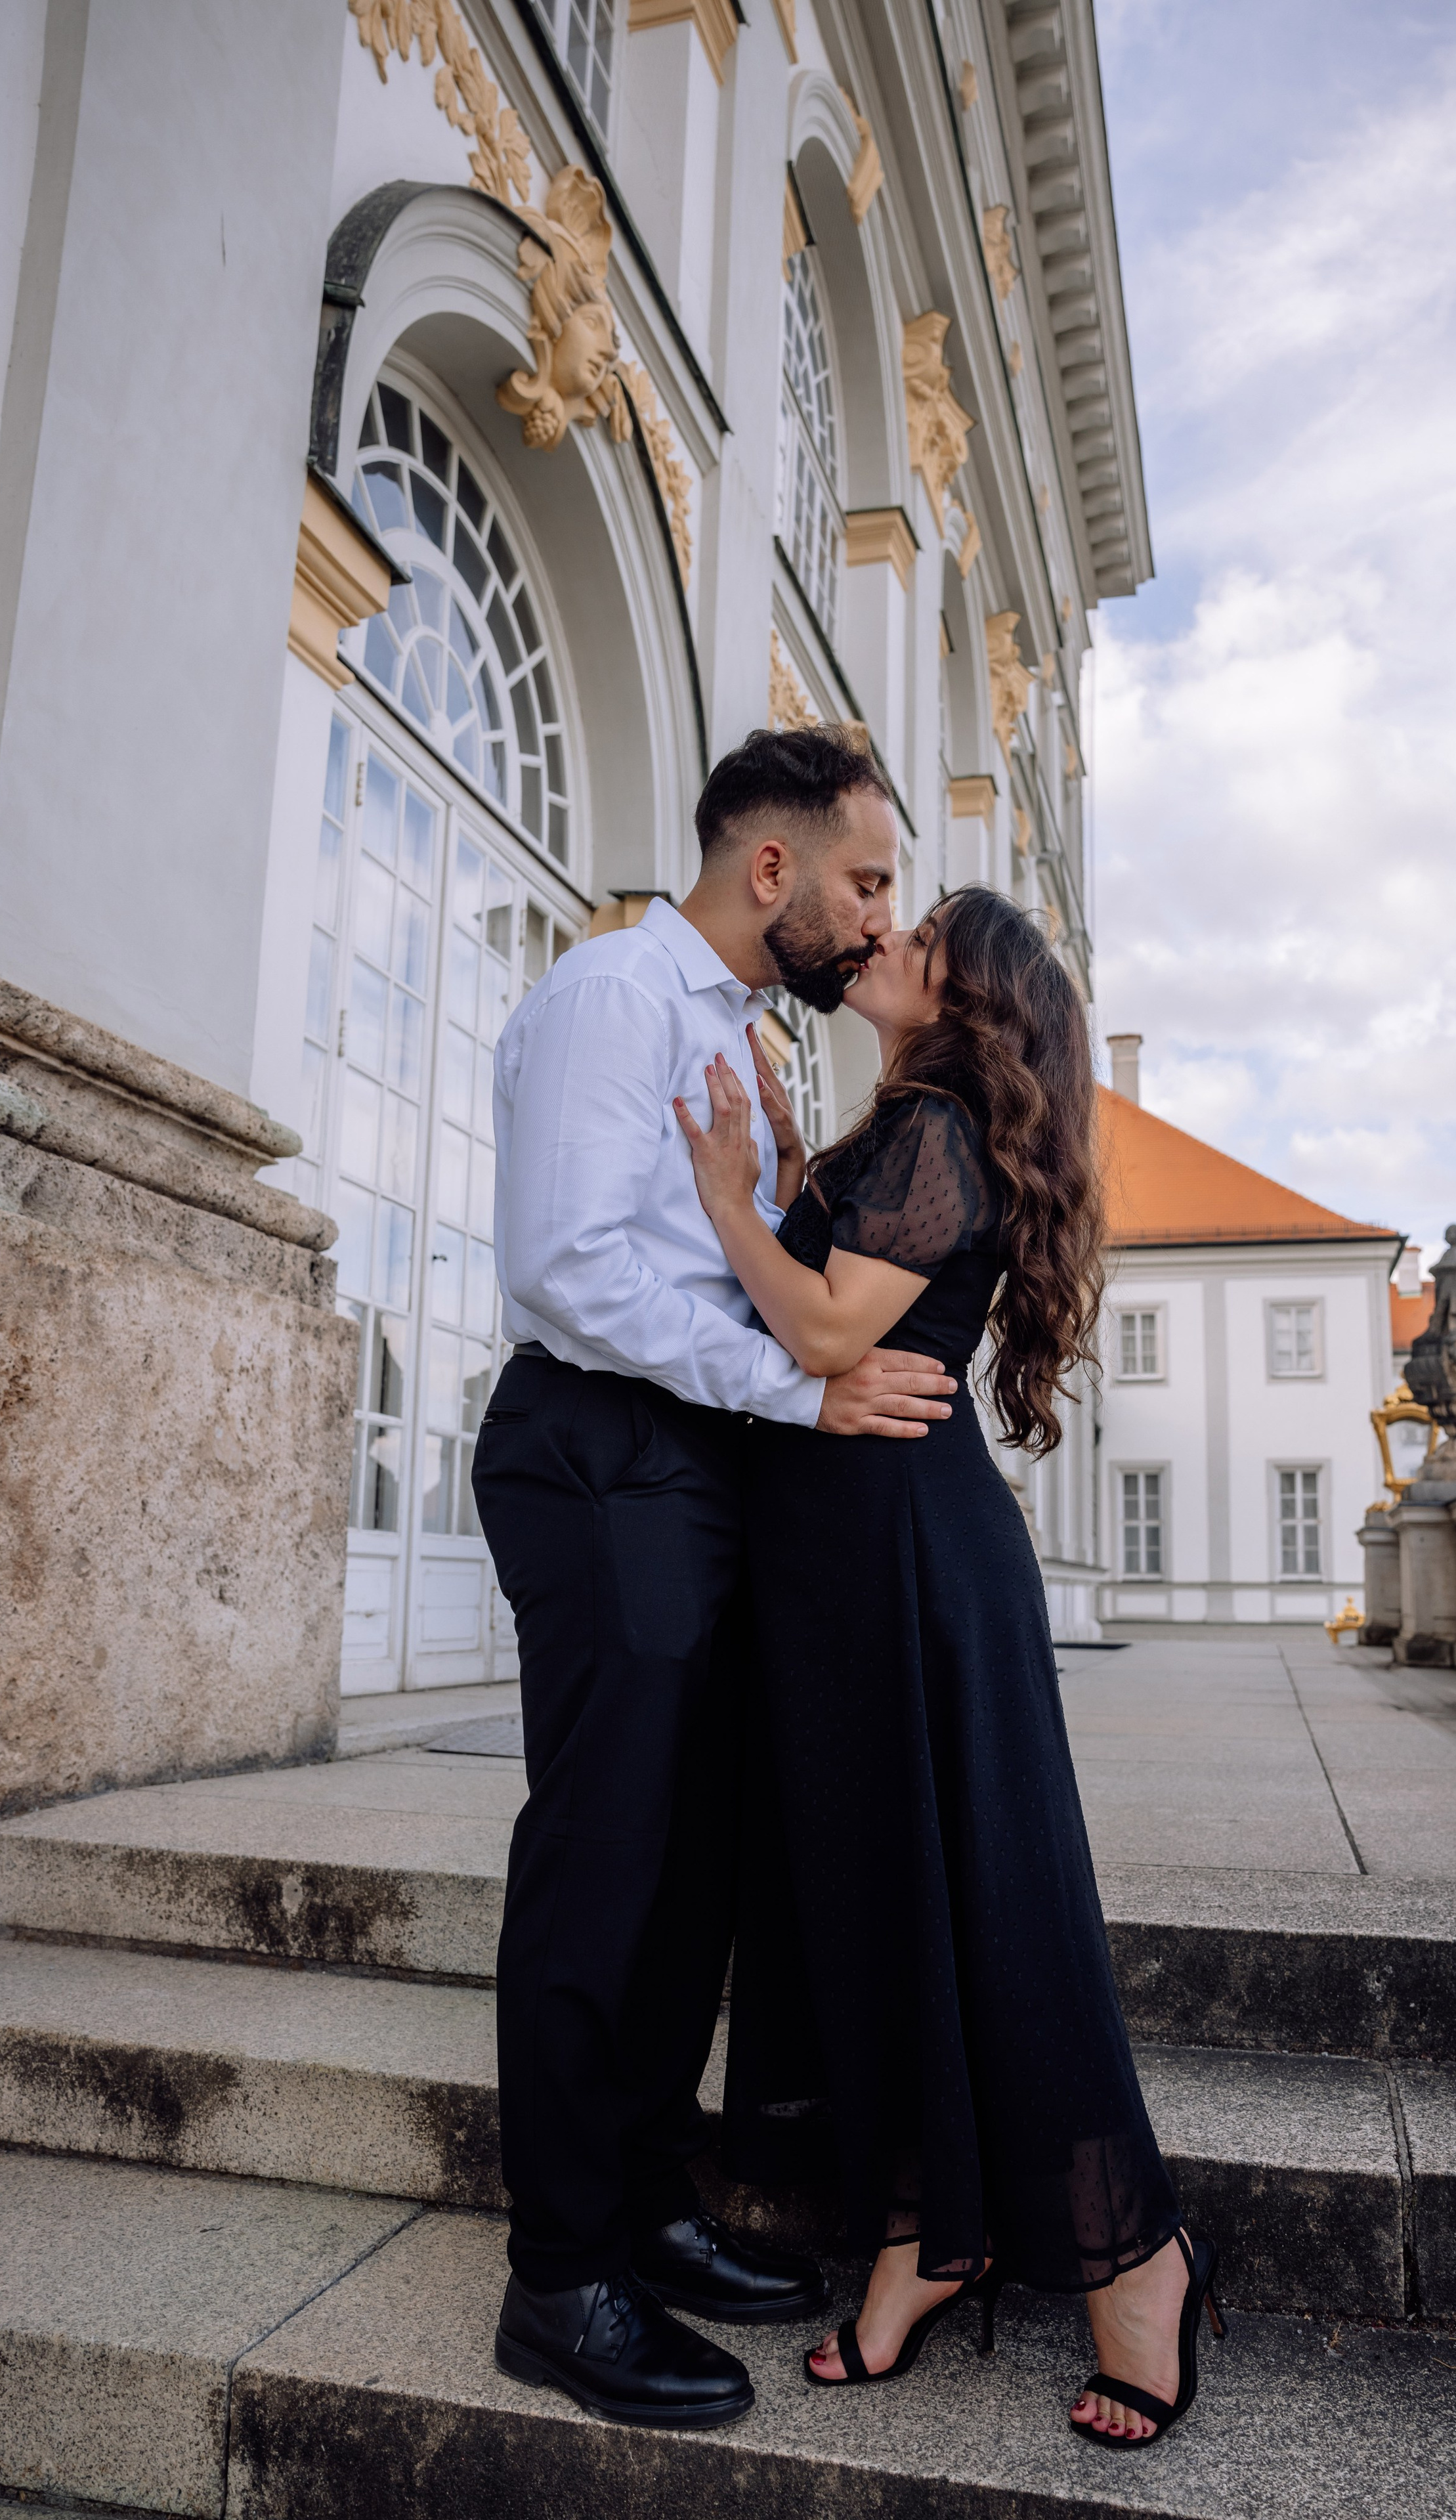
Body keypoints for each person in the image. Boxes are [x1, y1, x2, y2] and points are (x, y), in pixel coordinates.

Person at [674, 884, 1226, 2449]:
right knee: (877, 1897)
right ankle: (921, 2235)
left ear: (960, 995)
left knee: (988, 1902)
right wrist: (785, 1168)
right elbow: (845, 1295)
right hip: (853, 1564)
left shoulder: (935, 1127)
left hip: (905, 1565)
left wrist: (732, 1200)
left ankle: (1138, 2263)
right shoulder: (905, 1128)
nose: (885, 942)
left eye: (916, 936)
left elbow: (833, 1331)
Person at [473, 728, 958, 2429]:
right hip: (601, 1450)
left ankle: (648, 2199)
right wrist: (801, 1383)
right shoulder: (618, 996)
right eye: (867, 882)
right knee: (607, 1854)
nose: (876, 916)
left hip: (694, 1466)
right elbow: (573, 1267)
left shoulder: (741, 1035)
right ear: (776, 871)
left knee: (691, 1865)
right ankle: (561, 2271)